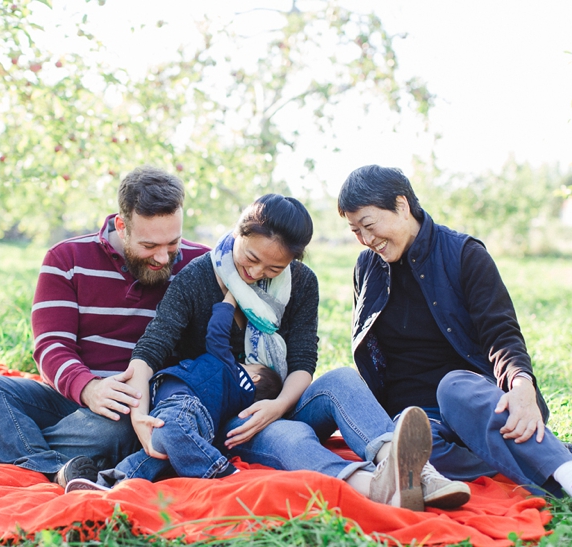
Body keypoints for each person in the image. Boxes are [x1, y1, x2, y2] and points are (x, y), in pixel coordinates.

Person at [117, 193, 469, 511]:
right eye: (251, 258)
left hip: (280, 396)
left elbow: (303, 362)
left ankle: (416, 471)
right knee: (290, 436)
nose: (256, 273)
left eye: (274, 269)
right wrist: (140, 415)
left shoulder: (302, 282)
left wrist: (278, 406)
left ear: (292, 262)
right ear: (239, 233)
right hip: (230, 418)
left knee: (342, 378)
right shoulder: (197, 279)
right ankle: (376, 486)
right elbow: (152, 348)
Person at [336, 164, 572, 514]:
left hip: (472, 402)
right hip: (415, 419)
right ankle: (545, 454)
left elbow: (501, 334)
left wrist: (521, 385)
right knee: (408, 444)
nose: (367, 240)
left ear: (402, 206)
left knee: (454, 386)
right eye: (356, 231)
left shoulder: (464, 254)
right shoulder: (366, 267)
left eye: (369, 226)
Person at [0, 166, 209, 487]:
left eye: (173, 243)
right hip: (71, 394)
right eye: (148, 246)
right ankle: (52, 467)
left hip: (135, 406)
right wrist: (89, 388)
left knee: (115, 430)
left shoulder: (200, 266)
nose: (162, 257)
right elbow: (51, 346)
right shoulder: (67, 259)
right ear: (122, 225)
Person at [65, 291, 283, 492]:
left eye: (250, 365)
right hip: (174, 410)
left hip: (185, 404)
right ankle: (110, 483)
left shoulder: (233, 372)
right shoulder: (234, 396)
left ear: (254, 377)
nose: (242, 362)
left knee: (171, 426)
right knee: (155, 452)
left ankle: (220, 471)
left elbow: (217, 335)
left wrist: (229, 301)